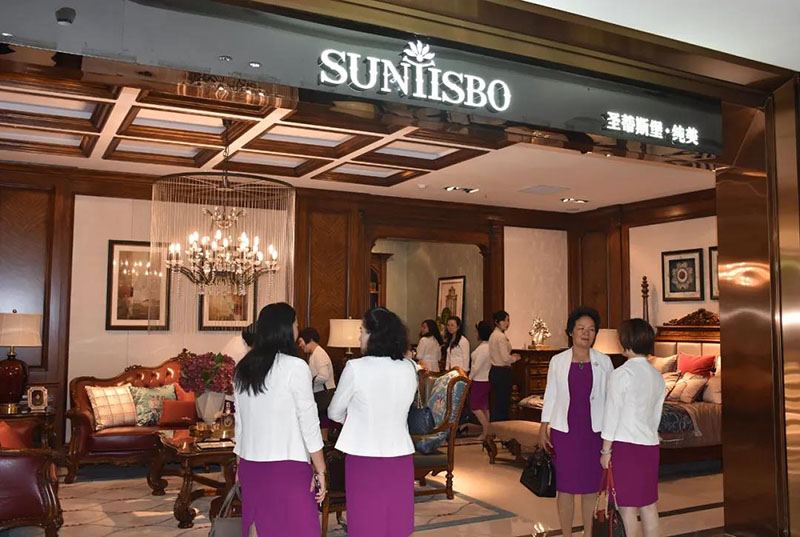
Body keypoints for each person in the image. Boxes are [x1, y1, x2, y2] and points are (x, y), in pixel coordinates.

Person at [233, 303, 327, 537]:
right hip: (288, 467)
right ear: (286, 329)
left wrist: (239, 464)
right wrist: (321, 469)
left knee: (259, 527)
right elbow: (309, 423)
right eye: (296, 324)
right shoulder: (295, 367)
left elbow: (240, 423)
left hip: (251, 465)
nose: (298, 329)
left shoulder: (243, 368)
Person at [327, 307, 418, 537]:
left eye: (362, 331)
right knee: (395, 521)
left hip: (364, 456)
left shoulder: (355, 368)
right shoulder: (409, 367)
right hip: (399, 454)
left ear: (373, 335)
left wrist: (356, 420)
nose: (359, 337)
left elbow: (334, 412)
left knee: (366, 521)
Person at [538, 306, 614, 537]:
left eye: (591, 329)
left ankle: (588, 534)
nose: (586, 333)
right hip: (565, 432)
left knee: (591, 488)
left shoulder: (604, 362)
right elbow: (551, 395)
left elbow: (612, 399)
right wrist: (544, 427)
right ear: (571, 331)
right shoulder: (558, 361)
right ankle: (567, 534)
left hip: (593, 433)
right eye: (581, 328)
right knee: (565, 488)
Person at [601, 318, 665, 537]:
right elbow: (655, 416)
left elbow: (612, 414)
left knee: (626, 507)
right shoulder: (657, 376)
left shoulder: (621, 374)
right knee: (648, 505)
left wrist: (606, 450)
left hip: (626, 447)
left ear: (626, 342)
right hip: (649, 445)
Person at [298, 327, 336, 431]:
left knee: (323, 424)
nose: (300, 345)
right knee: (323, 424)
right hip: (321, 394)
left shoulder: (319, 354)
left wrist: (310, 381)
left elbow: (324, 376)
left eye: (301, 341)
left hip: (322, 395)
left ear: (309, 339)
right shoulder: (315, 353)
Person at [488, 310, 521, 421]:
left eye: (508, 320)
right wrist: (515, 358)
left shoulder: (493, 335)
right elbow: (505, 358)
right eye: (505, 321)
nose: (507, 323)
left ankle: (496, 426)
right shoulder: (500, 337)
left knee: (497, 403)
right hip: (502, 372)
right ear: (497, 322)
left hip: (495, 371)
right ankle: (502, 427)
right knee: (502, 403)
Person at [470, 320, 493, 440]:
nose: (475, 333)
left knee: (474, 405)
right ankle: (486, 432)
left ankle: (487, 429)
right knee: (484, 406)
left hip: (479, 380)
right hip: (485, 379)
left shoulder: (484, 348)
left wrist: (469, 378)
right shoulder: (487, 346)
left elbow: (476, 366)